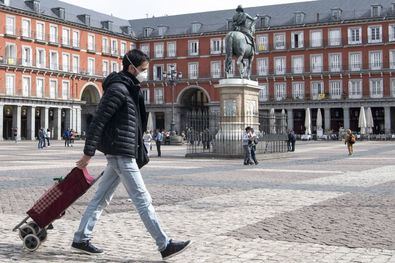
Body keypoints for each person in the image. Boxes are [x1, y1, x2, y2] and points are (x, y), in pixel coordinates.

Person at [72, 49, 191, 260]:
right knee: (142, 199)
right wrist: (88, 154)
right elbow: (98, 121)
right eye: (143, 70)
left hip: (122, 151)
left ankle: (81, 238)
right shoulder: (118, 89)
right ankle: (164, 245)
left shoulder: (129, 88)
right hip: (121, 152)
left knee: (101, 198)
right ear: (131, 68)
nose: (145, 74)